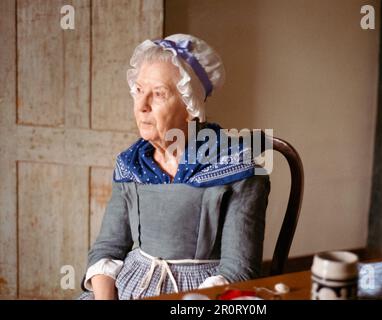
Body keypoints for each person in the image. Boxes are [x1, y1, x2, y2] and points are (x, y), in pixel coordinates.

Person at [78, 34, 270, 300]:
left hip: (203, 294)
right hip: (131, 286)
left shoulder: (239, 168)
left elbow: (239, 270)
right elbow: (108, 248)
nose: (142, 105)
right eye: (138, 90)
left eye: (158, 94)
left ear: (190, 106)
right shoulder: (131, 164)